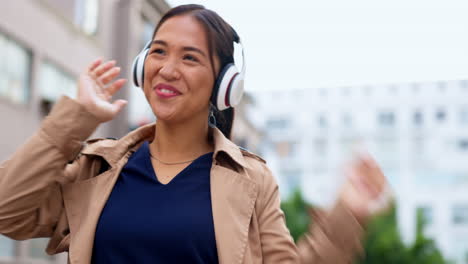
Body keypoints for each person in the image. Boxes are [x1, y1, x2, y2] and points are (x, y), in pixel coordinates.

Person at [0, 4, 388, 264]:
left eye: (189, 57)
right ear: (141, 66)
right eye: (158, 52)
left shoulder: (251, 180)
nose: (168, 69)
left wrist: (347, 217)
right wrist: (75, 119)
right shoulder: (97, 167)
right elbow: (7, 212)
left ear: (224, 85)